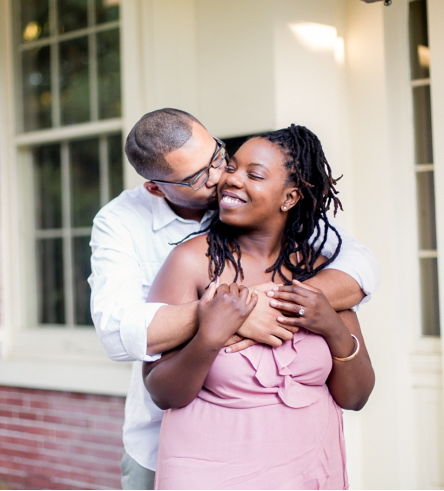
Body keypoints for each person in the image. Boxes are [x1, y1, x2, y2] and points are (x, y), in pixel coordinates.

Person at [89, 109, 380, 489]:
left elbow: (361, 266)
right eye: (197, 176)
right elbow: (116, 332)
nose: (221, 177)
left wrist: (283, 304)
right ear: (157, 188)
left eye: (218, 157)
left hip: (303, 464)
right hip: (174, 448)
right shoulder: (126, 226)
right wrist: (226, 314)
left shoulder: (302, 246)